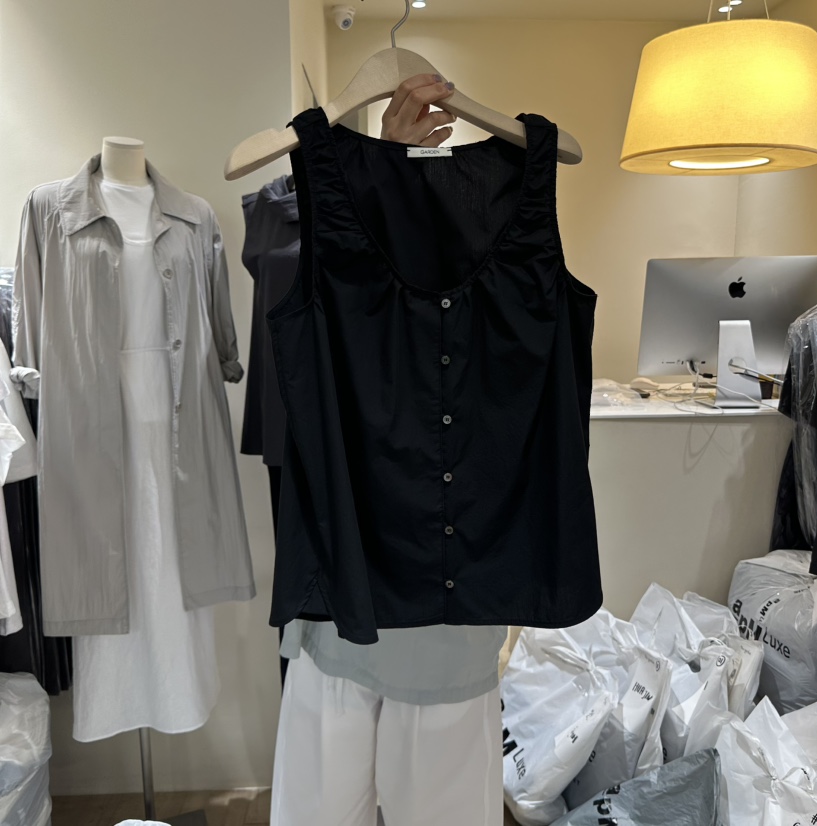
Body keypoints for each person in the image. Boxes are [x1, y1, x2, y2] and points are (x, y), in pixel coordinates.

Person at [269, 75, 507, 826]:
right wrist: (378, 177)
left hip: (441, 616)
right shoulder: (315, 197)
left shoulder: (512, 207)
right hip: (349, 594)